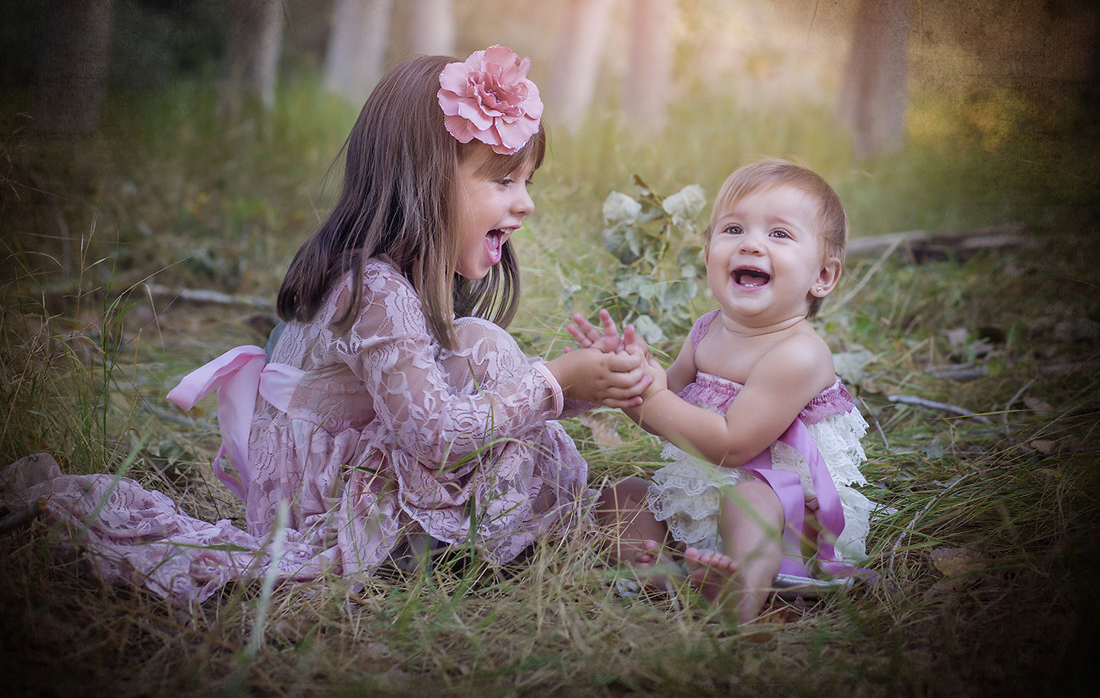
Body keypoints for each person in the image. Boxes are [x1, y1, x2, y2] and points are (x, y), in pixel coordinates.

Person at [0, 46, 649, 604]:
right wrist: (552, 383)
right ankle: (493, 546)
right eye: (504, 178)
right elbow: (433, 433)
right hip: (317, 509)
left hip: (336, 479)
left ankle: (553, 532)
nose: (526, 202)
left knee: (492, 360)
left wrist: (583, 386)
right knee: (507, 388)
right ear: (423, 181)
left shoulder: (397, 280)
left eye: (527, 180)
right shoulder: (374, 287)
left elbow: (434, 408)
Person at [570, 159, 873, 624]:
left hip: (789, 520)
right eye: (733, 229)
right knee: (621, 495)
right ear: (708, 250)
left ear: (823, 277)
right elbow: (664, 409)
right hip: (701, 500)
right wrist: (632, 372)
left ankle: (743, 594)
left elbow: (732, 444)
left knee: (750, 500)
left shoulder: (798, 354)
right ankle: (666, 573)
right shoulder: (707, 329)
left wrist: (651, 394)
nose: (751, 243)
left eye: (779, 234)